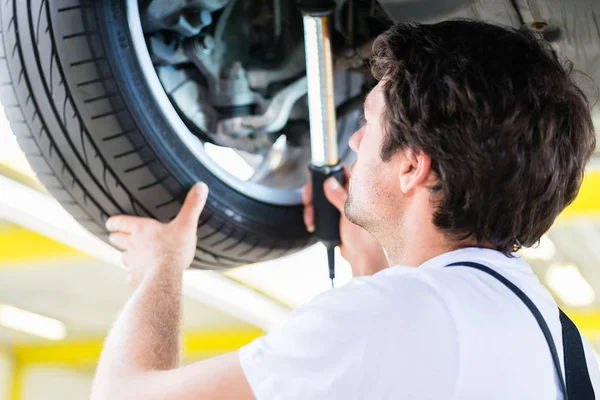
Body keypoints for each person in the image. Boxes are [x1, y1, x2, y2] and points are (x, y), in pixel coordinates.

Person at [91, 20, 599, 400]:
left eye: (368, 123)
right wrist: (373, 270)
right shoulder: (565, 346)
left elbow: (123, 394)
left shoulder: (387, 317)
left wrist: (161, 267)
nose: (353, 139)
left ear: (412, 169)